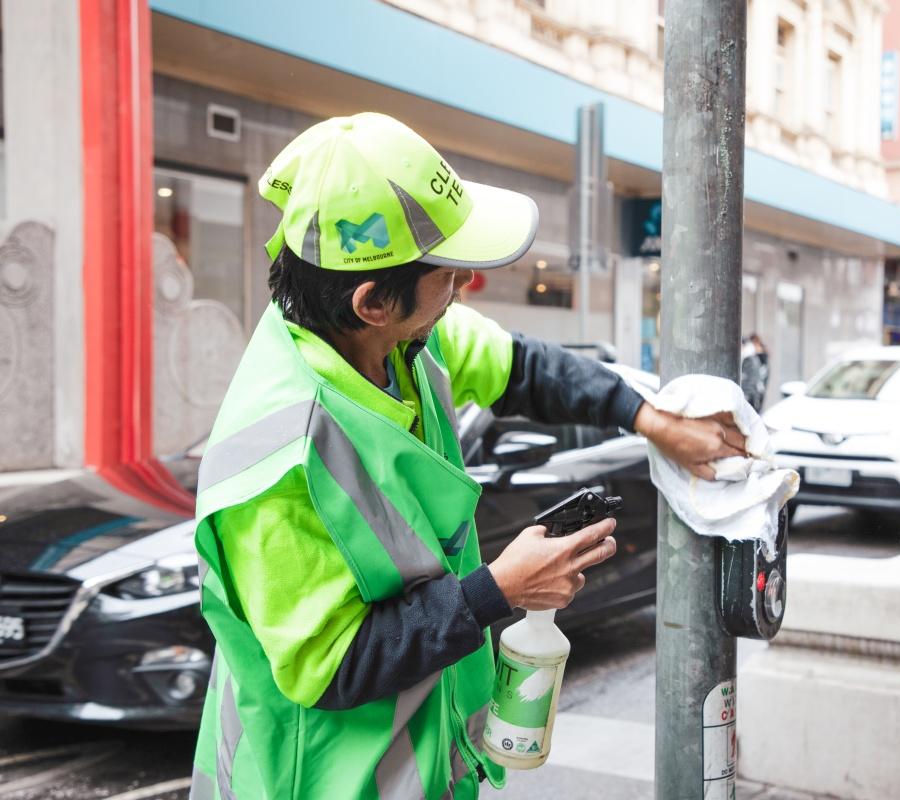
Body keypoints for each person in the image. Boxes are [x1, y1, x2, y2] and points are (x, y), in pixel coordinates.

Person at [188, 112, 747, 800]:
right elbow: (332, 669)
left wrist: (652, 418)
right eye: (450, 277)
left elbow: (525, 368)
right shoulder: (277, 461)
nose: (463, 292)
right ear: (372, 302)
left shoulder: (402, 341)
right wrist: (500, 590)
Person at [740, 333, 770, 412]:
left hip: (751, 398)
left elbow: (752, 380)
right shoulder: (750, 358)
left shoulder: (750, 359)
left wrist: (746, 397)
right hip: (754, 396)